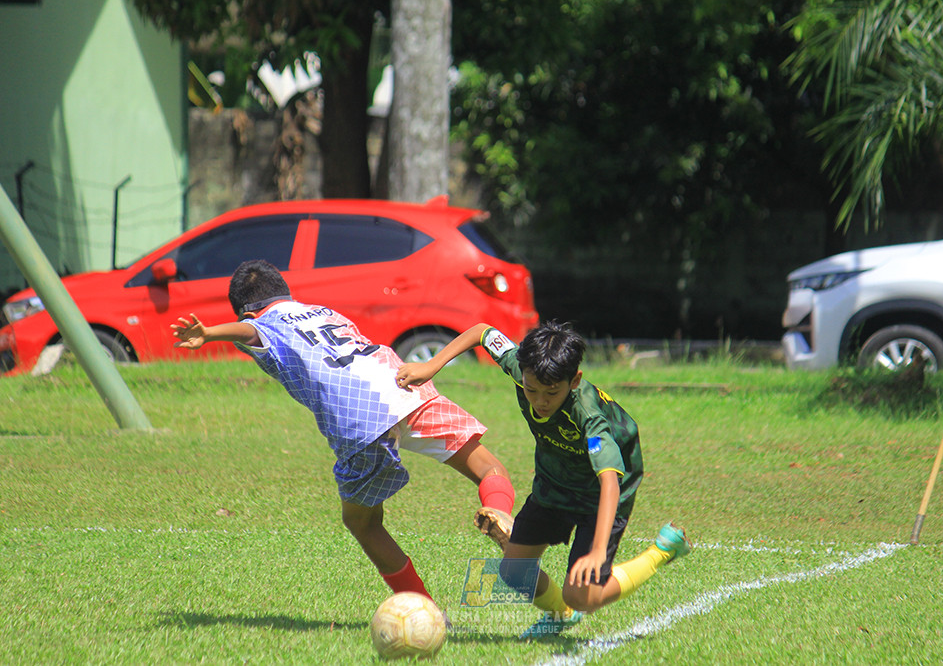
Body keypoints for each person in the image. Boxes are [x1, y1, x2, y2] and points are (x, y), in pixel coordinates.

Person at [170, 259, 516, 608]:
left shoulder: (263, 324)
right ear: (283, 291)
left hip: (361, 418)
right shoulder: (321, 311)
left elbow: (252, 332)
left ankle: (423, 609)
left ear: (246, 310)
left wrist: (211, 333)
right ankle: (499, 512)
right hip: (405, 385)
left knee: (362, 522)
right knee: (490, 469)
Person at [396, 321, 691, 639]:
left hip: (601, 489)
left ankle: (662, 551)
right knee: (513, 572)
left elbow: (609, 483)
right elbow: (483, 332)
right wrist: (431, 366)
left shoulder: (590, 420)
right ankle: (561, 616)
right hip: (556, 477)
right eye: (531, 390)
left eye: (552, 393)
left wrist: (598, 551)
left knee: (583, 596)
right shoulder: (519, 365)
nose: (540, 401)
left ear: (574, 381)